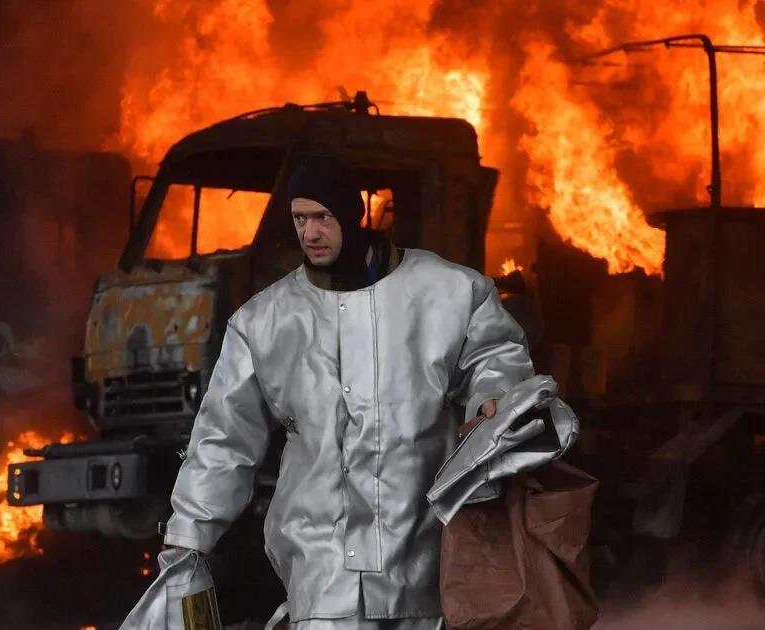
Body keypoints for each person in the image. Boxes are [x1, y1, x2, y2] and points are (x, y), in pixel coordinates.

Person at [162, 153, 534, 629]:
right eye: (299, 219)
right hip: (322, 571)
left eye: (322, 217)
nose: (310, 233)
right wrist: (188, 533)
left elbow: (495, 354)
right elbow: (224, 436)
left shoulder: (449, 293)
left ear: (352, 213)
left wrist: (493, 398)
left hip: (423, 562)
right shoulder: (264, 322)